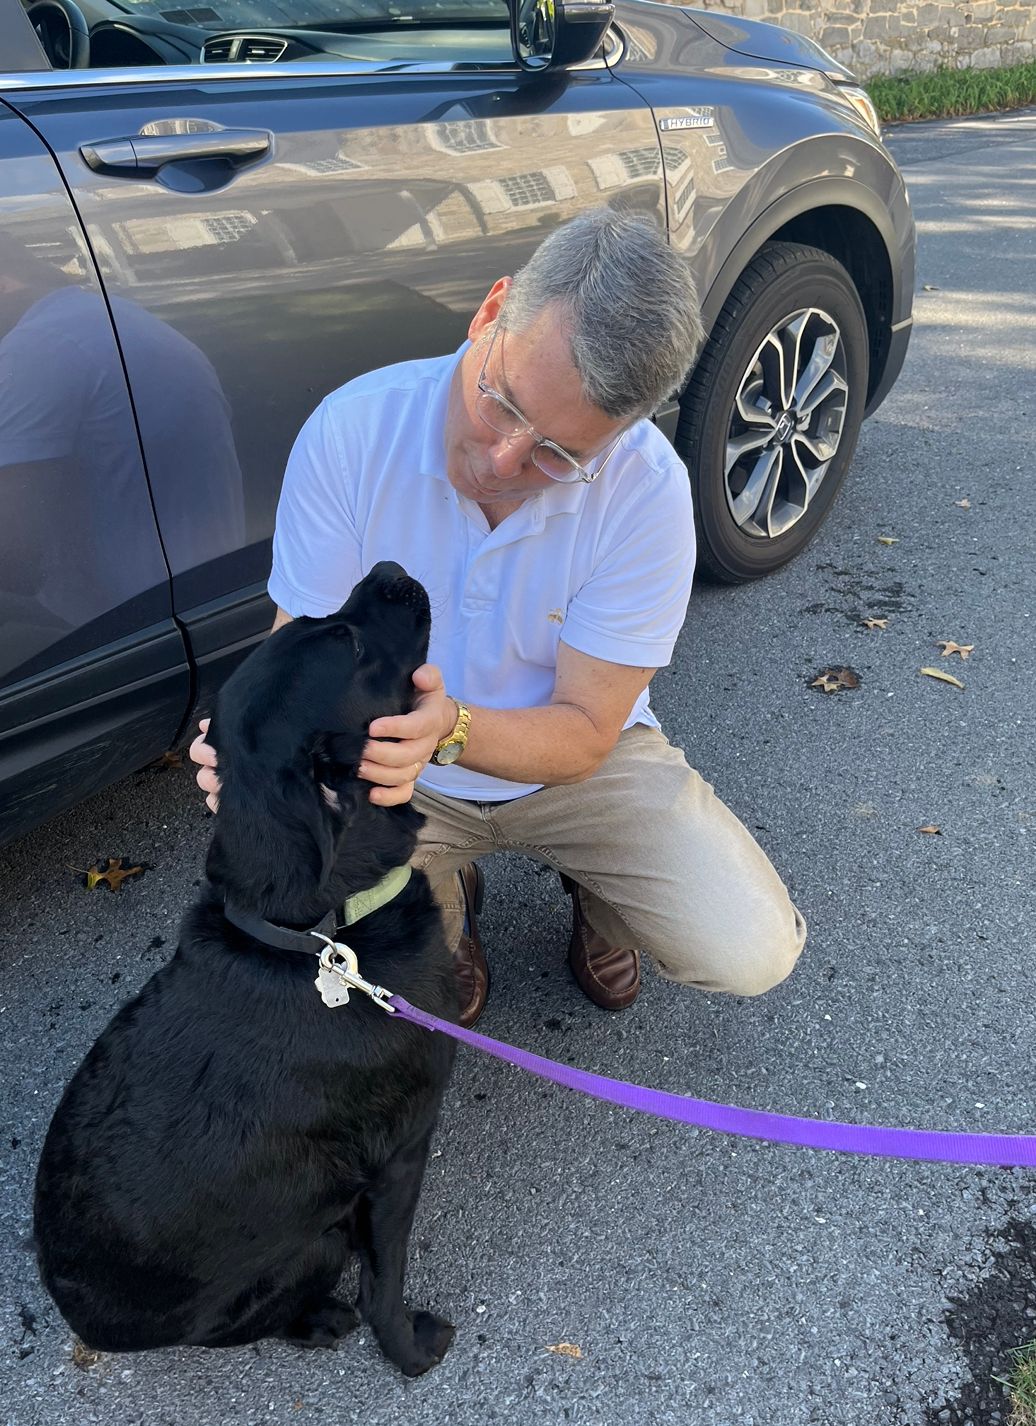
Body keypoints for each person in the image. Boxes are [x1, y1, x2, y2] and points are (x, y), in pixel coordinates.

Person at [191, 207, 806, 1028]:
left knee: (749, 949)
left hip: (576, 761)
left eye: (559, 454)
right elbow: (296, 657)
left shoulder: (649, 492)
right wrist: (251, 753)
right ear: (490, 312)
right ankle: (449, 885)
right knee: (394, 983)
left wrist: (448, 729)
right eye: (502, 402)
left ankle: (602, 893)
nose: (501, 464)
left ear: (623, 437)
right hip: (395, 769)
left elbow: (588, 730)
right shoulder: (352, 430)